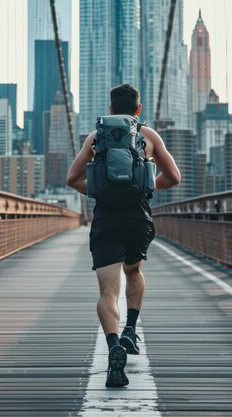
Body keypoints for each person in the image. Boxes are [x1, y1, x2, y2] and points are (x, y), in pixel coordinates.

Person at [66, 83, 181, 387]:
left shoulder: (96, 137)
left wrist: (98, 192)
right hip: (137, 218)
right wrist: (147, 187)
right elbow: (174, 177)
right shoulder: (148, 136)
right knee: (134, 270)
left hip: (105, 218)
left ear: (111, 108)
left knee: (107, 293)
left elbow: (71, 178)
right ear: (138, 109)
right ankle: (131, 328)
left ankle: (114, 345)